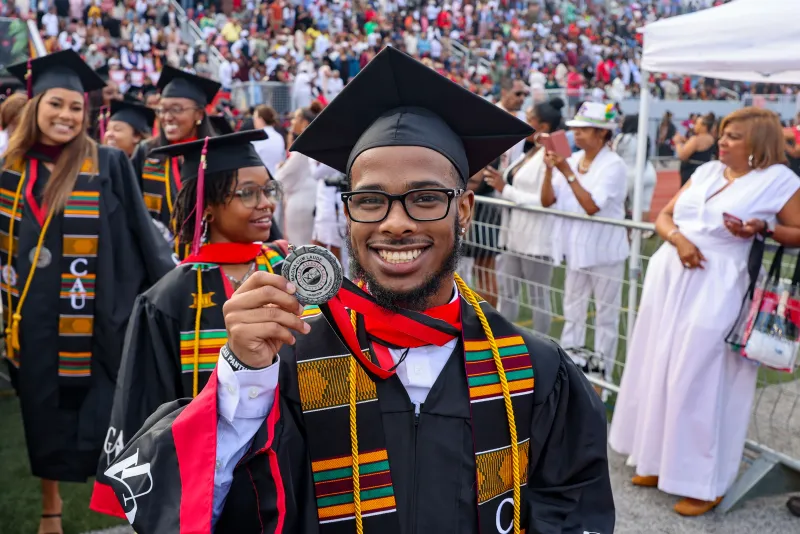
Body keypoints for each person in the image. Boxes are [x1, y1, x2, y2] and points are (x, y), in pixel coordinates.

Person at [100, 46, 614, 534]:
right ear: (347, 213)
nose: (394, 223)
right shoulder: (289, 366)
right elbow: (206, 513)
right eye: (371, 200)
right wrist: (241, 385)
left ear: (464, 210)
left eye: (426, 198)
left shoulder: (535, 372)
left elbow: (572, 510)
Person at [2, 49, 174, 534]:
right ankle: (50, 512)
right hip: (34, 325)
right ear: (34, 105)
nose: (66, 116)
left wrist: (170, 297)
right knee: (42, 420)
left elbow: (145, 239)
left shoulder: (109, 164)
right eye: (56, 104)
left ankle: (137, 511)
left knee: (119, 423)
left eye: (75, 107)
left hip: (102, 321)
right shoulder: (11, 170)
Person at [609, 107, 800, 517]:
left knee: (702, 378)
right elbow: (663, 216)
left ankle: (705, 481)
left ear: (757, 142)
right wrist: (678, 240)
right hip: (671, 275)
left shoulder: (780, 181)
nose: (722, 141)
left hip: (721, 283)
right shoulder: (708, 172)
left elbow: (797, 231)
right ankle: (657, 462)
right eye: (723, 134)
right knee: (658, 367)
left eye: (732, 136)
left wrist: (761, 229)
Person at [90, 130, 288, 516]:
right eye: (248, 193)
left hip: (287, 467)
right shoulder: (169, 298)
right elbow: (147, 408)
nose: (266, 204)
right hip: (203, 481)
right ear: (208, 205)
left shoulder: (286, 270)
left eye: (269, 190)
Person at [541, 102, 629, 383]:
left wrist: (566, 170)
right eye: (575, 129)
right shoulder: (574, 159)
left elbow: (591, 206)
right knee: (573, 311)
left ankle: (602, 377)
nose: (576, 134)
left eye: (583, 129)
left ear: (602, 133)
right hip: (577, 250)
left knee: (605, 318)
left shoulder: (613, 165)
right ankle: (572, 373)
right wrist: (548, 170)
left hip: (605, 253)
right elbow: (547, 200)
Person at [484, 98, 564, 334]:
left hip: (537, 240)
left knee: (538, 298)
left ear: (544, 127)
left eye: (530, 120)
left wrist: (504, 188)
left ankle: (543, 349)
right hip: (514, 236)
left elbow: (545, 201)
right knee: (507, 293)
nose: (525, 123)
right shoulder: (530, 152)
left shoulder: (553, 154)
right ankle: (503, 340)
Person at [130, 66, 221, 252]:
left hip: (209, 258)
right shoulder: (148, 152)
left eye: (177, 109)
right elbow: (131, 205)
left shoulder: (219, 153)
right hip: (157, 259)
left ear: (199, 114)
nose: (167, 117)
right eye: (162, 110)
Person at [275, 100, 322, 245]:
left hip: (302, 203)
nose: (292, 122)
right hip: (310, 199)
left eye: (295, 118)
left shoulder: (303, 148)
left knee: (300, 248)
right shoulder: (314, 143)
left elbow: (282, 177)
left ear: (304, 123)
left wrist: (279, 168)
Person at [612, 114, 657, 228]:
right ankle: (644, 231)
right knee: (645, 206)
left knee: (623, 205)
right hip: (648, 171)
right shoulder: (644, 137)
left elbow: (615, 155)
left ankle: (627, 229)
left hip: (629, 174)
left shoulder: (623, 138)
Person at [676, 112, 716, 186]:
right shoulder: (711, 139)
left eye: (697, 124)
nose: (695, 126)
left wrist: (677, 143)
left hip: (691, 172)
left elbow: (682, 155)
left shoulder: (696, 139)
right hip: (704, 171)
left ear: (704, 126)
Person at [251, 104, 286, 176]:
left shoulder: (256, 137)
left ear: (260, 119)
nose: (254, 121)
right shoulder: (279, 137)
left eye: (255, 118)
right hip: (276, 176)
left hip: (260, 177)